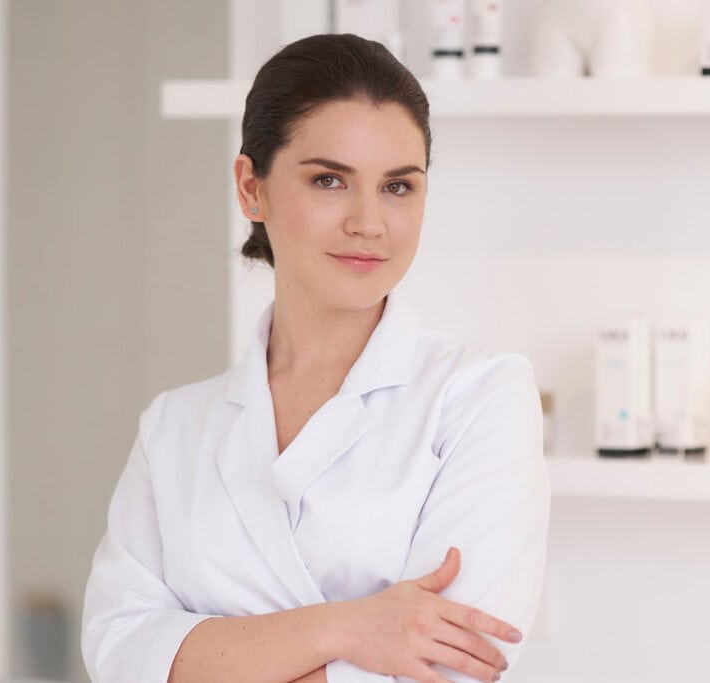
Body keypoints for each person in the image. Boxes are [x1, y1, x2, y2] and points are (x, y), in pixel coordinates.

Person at [81, 33, 550, 683]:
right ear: (252, 188)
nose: (369, 221)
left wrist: (200, 655)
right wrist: (351, 627)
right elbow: (117, 651)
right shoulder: (174, 427)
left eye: (398, 186)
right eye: (329, 180)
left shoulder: (479, 398)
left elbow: (457, 666)